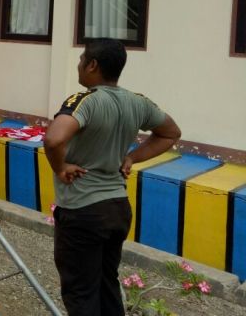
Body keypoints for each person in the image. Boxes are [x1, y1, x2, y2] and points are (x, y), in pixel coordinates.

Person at [44, 38, 181, 316]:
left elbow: (53, 139)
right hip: (117, 207)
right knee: (107, 285)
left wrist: (60, 168)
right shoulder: (137, 102)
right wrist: (131, 157)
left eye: (82, 59)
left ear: (93, 65)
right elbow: (170, 133)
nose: (79, 64)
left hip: (82, 210)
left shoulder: (84, 101)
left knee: (81, 292)